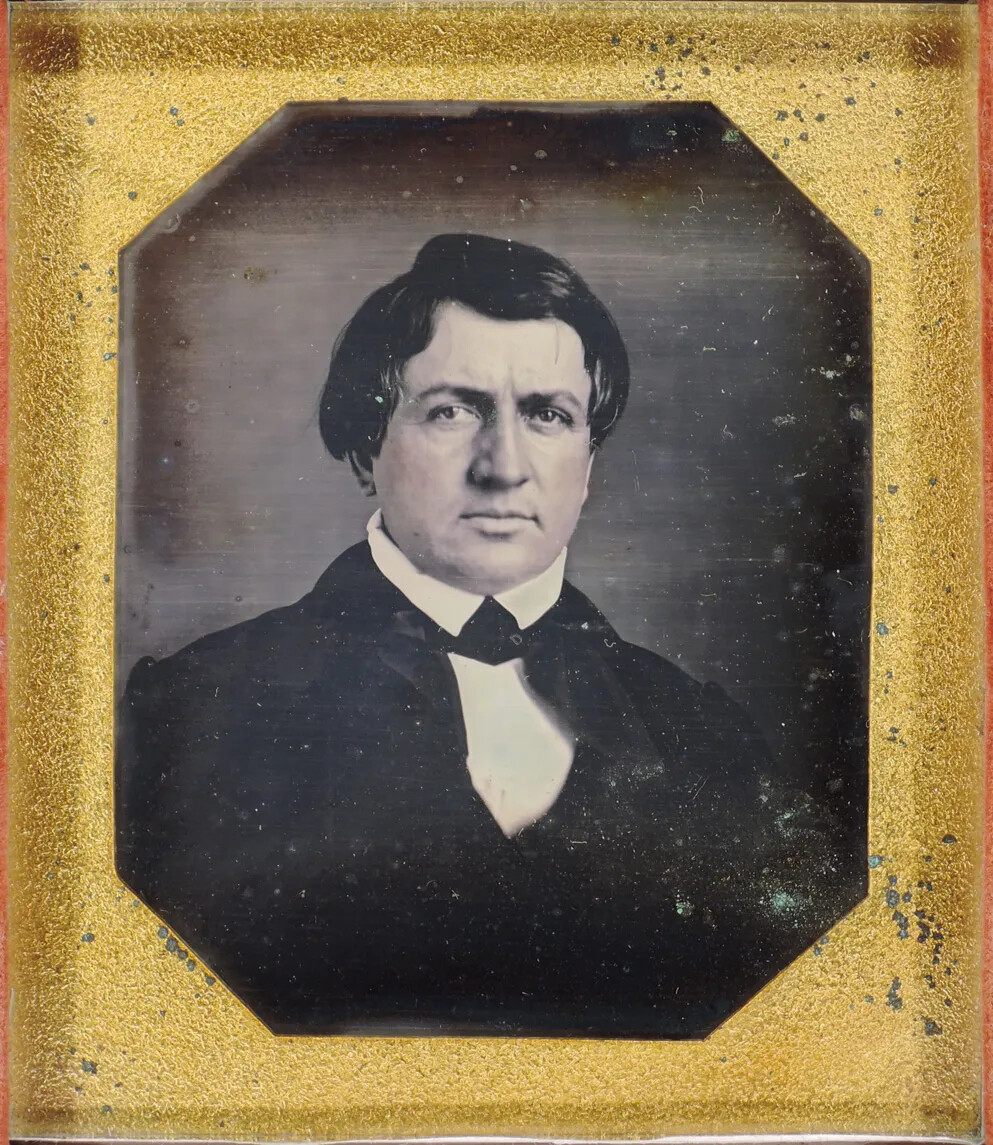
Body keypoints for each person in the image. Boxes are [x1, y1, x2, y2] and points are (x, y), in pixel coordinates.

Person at [116, 233, 846, 1038]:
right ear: (365, 446)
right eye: (452, 410)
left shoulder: (703, 737)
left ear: (588, 462)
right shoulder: (193, 713)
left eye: (547, 415)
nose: (503, 466)